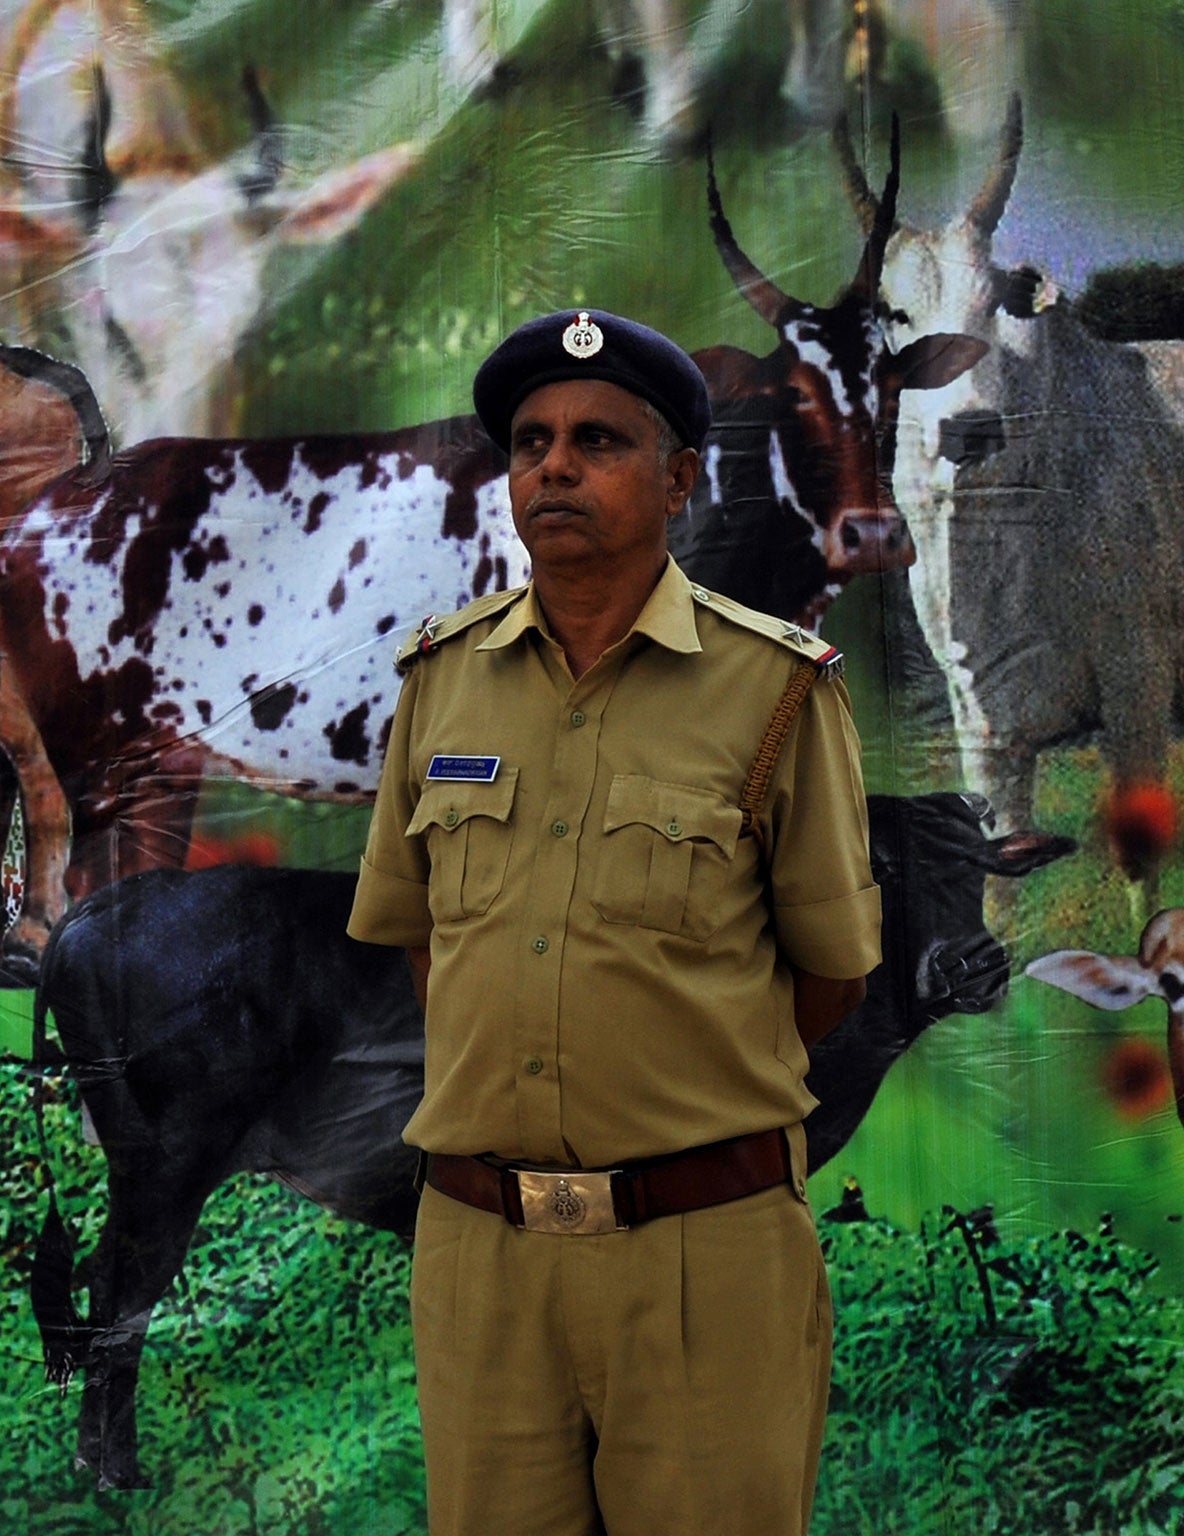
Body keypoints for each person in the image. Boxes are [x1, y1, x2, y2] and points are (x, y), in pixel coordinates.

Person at [346, 308, 881, 1536]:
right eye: (530, 442)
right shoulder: (439, 681)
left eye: (597, 439)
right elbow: (430, 945)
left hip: (700, 1254)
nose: (553, 466)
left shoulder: (773, 691)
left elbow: (829, 981)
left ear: (681, 478)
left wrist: (664, 1093)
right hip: (483, 1259)